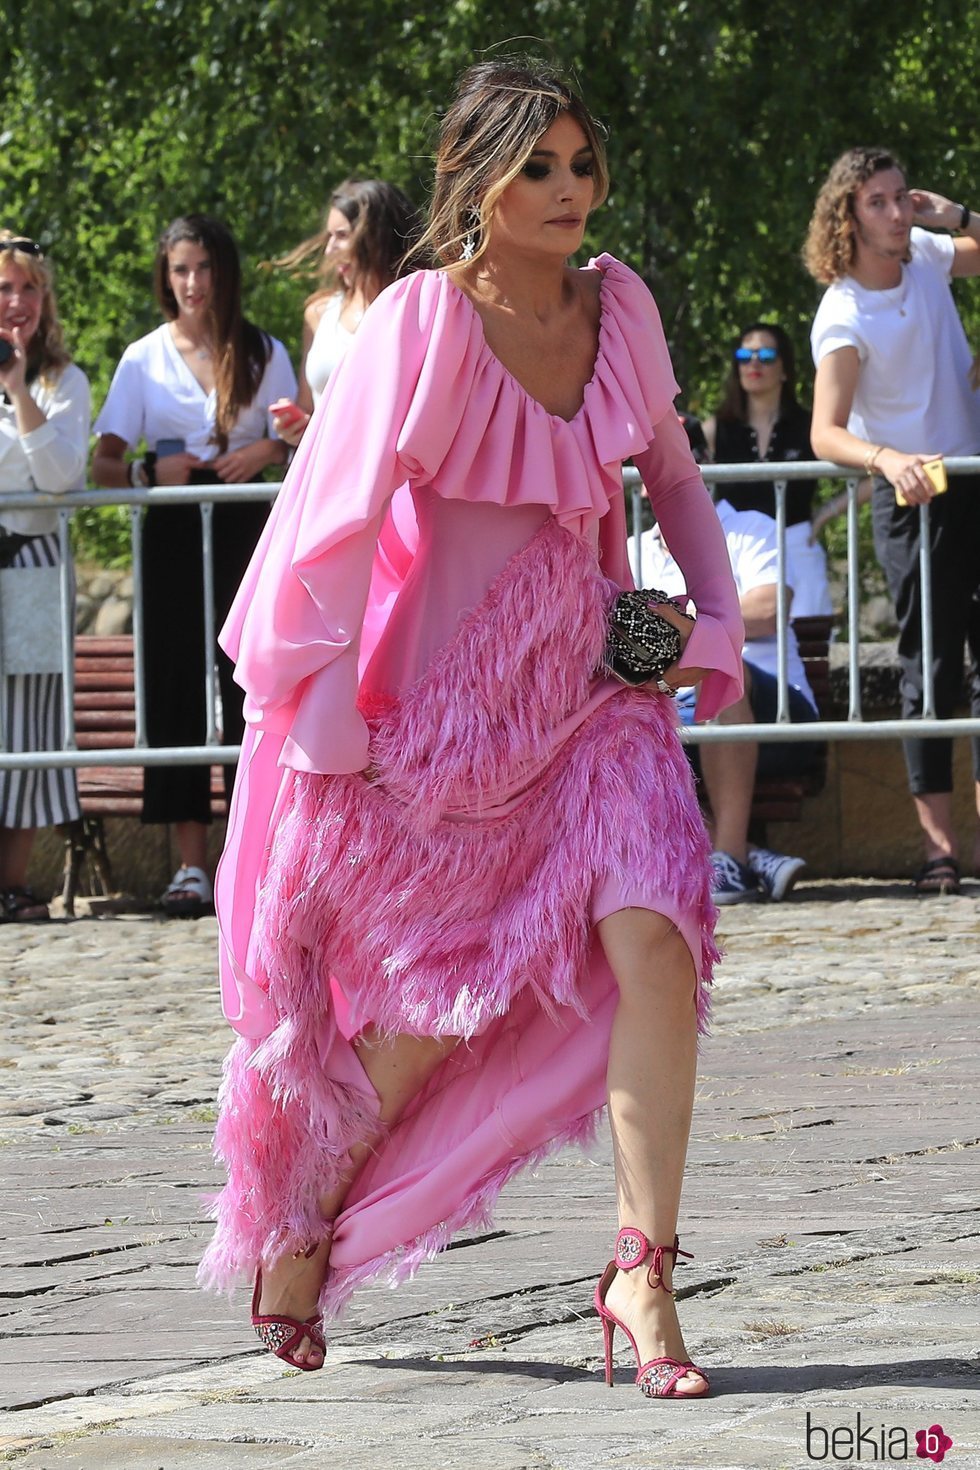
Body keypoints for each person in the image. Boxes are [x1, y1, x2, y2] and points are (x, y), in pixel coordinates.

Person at [198, 59, 743, 1401]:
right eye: (540, 167)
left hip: (598, 698)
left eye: (582, 164)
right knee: (427, 1020)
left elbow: (671, 474)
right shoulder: (423, 323)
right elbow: (327, 518)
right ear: (479, 180)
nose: (570, 189)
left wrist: (713, 630)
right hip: (447, 731)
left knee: (659, 937)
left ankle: (643, 1268)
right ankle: (302, 1220)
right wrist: (321, 727)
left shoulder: (622, 306)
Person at [91, 215, 297, 916]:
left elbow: (303, 439)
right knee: (176, 684)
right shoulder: (143, 358)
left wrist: (265, 451)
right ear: (165, 275)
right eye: (180, 270)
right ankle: (188, 865)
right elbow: (105, 464)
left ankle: (256, 853)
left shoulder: (264, 351)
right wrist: (156, 468)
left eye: (204, 269)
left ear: (225, 274)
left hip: (246, 529)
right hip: (175, 533)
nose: (192, 284)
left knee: (251, 686)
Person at [806, 147, 980, 895]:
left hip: (973, 474)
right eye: (878, 200)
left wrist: (961, 216)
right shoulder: (844, 309)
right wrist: (886, 459)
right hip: (912, 494)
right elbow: (825, 431)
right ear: (848, 214)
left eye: (903, 197)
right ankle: (939, 848)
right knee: (929, 666)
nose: (897, 211)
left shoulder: (932, 257)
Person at [631, 500, 820, 904]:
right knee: (616, 730)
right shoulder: (632, 547)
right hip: (674, 711)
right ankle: (745, 858)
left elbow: (769, 607)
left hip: (779, 714)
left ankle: (730, 856)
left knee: (719, 662)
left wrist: (681, 631)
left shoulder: (751, 525)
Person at [0, 232, 89, 921]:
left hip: (31, 560)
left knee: (30, 723)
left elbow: (61, 480)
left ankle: (14, 879)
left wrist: (16, 388)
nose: (17, 301)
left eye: (28, 288)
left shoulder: (65, 381)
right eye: (4, 288)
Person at [268, 179, 423, 446]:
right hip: (327, 478)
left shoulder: (422, 313)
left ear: (376, 236)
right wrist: (295, 426)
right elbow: (310, 410)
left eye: (341, 236)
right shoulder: (319, 313)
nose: (329, 250)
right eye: (330, 237)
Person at [703, 324, 832, 618]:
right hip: (738, 555)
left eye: (767, 355)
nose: (754, 363)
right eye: (744, 355)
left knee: (811, 651)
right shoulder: (714, 430)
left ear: (785, 368)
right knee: (735, 648)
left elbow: (870, 474)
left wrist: (825, 515)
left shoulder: (812, 426)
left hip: (797, 545)